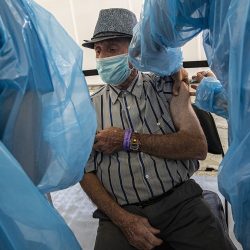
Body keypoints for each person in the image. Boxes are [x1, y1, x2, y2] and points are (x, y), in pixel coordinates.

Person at [80, 8, 236, 250]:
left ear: (135, 51)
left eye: (112, 49)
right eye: (98, 51)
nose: (103, 58)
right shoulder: (87, 108)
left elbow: (196, 147)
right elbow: (84, 171)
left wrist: (128, 139)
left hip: (180, 202)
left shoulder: (168, 88)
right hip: (121, 211)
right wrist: (123, 220)